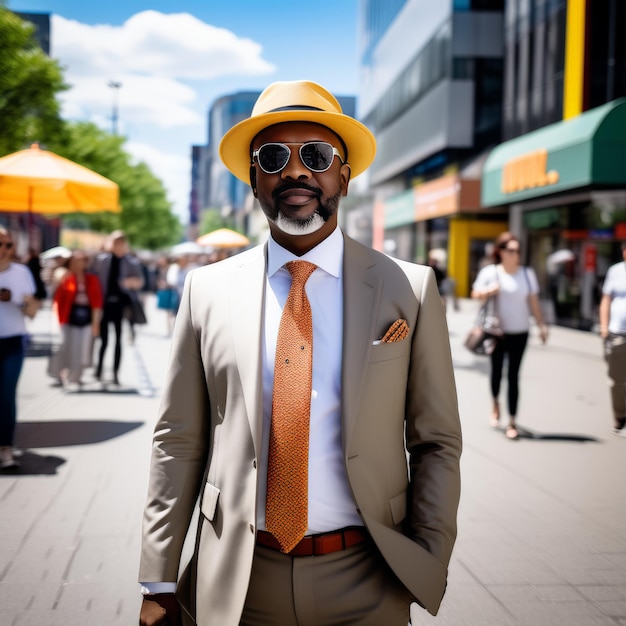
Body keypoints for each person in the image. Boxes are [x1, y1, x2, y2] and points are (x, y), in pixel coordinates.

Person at [138, 80, 462, 626]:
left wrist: (427, 555)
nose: (295, 171)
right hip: (238, 581)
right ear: (253, 179)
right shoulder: (206, 290)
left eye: (315, 155)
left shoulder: (410, 288)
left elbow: (436, 441)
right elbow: (178, 440)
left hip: (369, 576)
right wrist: (159, 575)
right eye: (273, 157)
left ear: (344, 174)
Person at [471, 231, 548, 440]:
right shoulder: (490, 272)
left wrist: (542, 326)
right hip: (497, 333)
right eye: (511, 250)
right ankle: (495, 403)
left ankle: (512, 421)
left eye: (518, 250)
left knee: (513, 375)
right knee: (496, 371)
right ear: (501, 252)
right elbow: (475, 294)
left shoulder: (526, 274)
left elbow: (533, 302)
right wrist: (488, 291)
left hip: (520, 332)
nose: (515, 254)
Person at [0, 227, 38, 469]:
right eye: (0, 244)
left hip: (12, 341)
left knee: (5, 395)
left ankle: (5, 449)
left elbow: (32, 311)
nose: (4, 250)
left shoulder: (21, 272)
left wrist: (14, 299)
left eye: (8, 245)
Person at [90, 230, 144, 386]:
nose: (118, 246)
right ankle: (99, 370)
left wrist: (129, 282)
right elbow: (92, 276)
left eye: (121, 243)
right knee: (104, 340)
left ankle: (115, 373)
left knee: (119, 340)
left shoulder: (131, 262)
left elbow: (140, 282)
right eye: (115, 242)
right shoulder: (101, 260)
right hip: (104, 304)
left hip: (121, 305)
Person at [48, 250, 103, 392]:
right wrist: (58, 279)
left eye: (83, 260)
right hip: (67, 317)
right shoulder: (65, 277)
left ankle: (75, 377)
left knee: (82, 350)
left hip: (86, 318)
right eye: (77, 260)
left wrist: (95, 323)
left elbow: (97, 303)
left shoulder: (91, 279)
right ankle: (59, 372)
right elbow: (56, 298)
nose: (80, 263)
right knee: (66, 346)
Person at [598, 241, 626, 435]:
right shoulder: (615, 271)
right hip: (617, 333)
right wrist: (604, 327)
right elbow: (606, 299)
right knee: (617, 379)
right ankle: (620, 415)